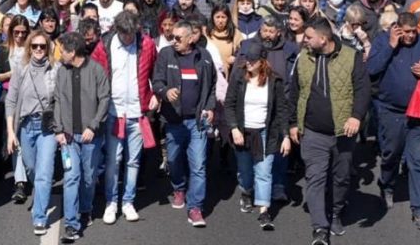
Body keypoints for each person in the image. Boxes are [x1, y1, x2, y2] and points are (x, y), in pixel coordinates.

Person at [289, 18, 371, 245]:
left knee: (341, 178)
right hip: (313, 132)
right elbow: (294, 91)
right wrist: (293, 123)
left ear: (323, 39)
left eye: (308, 37)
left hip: (342, 132)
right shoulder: (303, 58)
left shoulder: (351, 57)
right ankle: (320, 228)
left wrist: (356, 116)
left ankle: (335, 212)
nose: (304, 40)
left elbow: (363, 91)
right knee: (314, 178)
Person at [366, 12, 420, 230]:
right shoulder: (383, 40)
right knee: (391, 152)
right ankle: (387, 182)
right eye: (405, 32)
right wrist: (391, 45)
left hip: (418, 112)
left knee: (416, 161)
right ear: (397, 28)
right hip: (391, 110)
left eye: (413, 32)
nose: (410, 36)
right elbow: (371, 69)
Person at [94, 11, 157, 225]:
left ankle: (128, 201)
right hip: (114, 112)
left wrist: (155, 94)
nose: (129, 39)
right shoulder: (104, 45)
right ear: (116, 30)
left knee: (133, 160)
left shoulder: (147, 44)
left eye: (133, 34)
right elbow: (95, 75)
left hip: (138, 112)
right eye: (125, 35)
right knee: (113, 160)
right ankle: (111, 202)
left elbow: (155, 73)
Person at [152, 19, 216, 227]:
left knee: (198, 165)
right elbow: (157, 80)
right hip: (174, 120)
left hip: (196, 121)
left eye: (178, 38)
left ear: (191, 38)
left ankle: (195, 207)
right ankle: (179, 187)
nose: (174, 41)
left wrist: (210, 107)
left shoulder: (204, 58)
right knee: (173, 159)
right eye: (172, 37)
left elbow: (212, 84)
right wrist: (164, 91)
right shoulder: (166, 54)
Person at [224, 42, 291, 231]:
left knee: (264, 172)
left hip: (265, 133)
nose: (249, 64)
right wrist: (234, 128)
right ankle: (246, 191)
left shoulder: (274, 81)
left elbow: (281, 110)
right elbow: (229, 104)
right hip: (243, 132)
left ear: (262, 62)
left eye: (253, 61)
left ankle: (264, 211)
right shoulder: (238, 76)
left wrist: (285, 135)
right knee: (246, 171)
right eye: (247, 60)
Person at [53, 31, 110, 243]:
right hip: (67, 137)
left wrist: (93, 126)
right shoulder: (61, 71)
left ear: (73, 51)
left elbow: (104, 99)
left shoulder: (96, 69)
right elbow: (57, 100)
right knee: (71, 177)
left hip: (90, 137)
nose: (59, 54)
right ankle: (71, 225)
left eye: (62, 51)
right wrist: (58, 129)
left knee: (88, 177)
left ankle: (86, 208)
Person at [5, 30, 58, 235]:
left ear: (48, 48)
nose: (38, 50)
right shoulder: (21, 69)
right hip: (26, 125)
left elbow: (61, 100)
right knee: (31, 169)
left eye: (42, 46)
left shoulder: (55, 69)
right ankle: (41, 193)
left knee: (44, 173)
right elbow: (11, 101)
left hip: (47, 128)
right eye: (34, 46)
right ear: (29, 48)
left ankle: (39, 216)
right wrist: (11, 132)